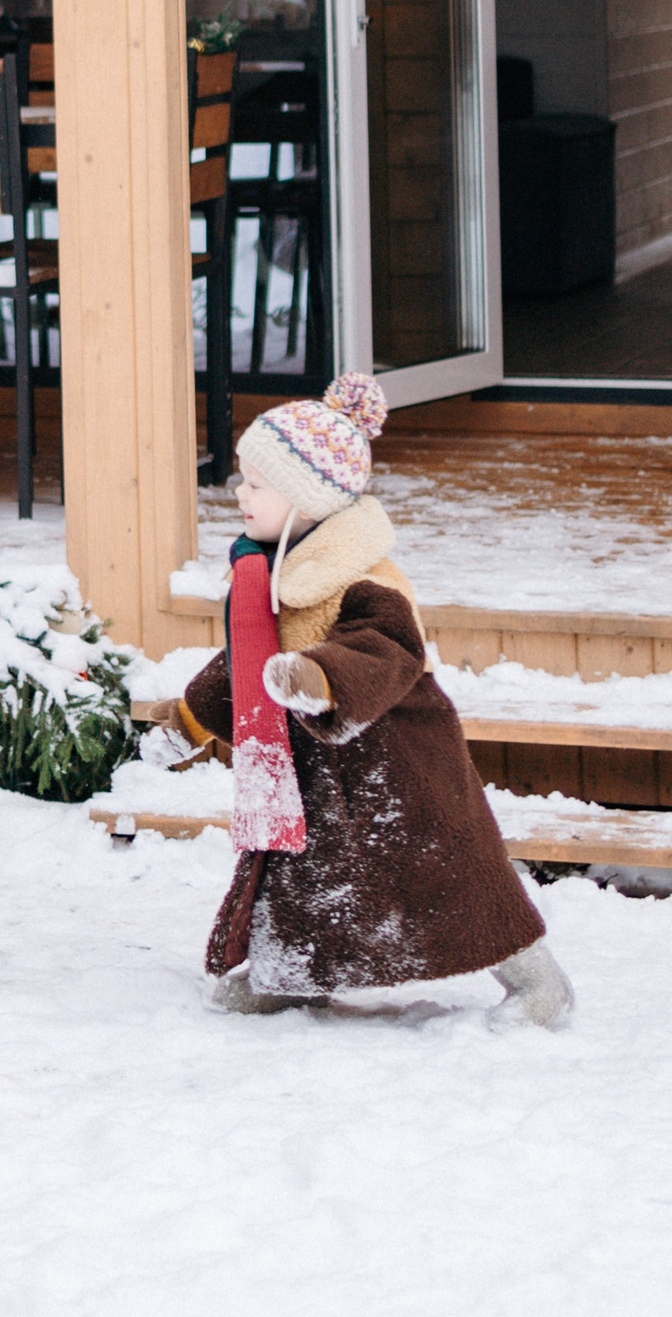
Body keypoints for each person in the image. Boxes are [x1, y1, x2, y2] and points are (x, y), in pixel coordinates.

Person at [165, 374, 572, 1027]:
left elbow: (385, 648)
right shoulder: (267, 569)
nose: (239, 493)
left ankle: (539, 984)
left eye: (256, 484)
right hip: (319, 763)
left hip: (398, 754)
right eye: (243, 478)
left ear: (308, 497)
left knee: (454, 871)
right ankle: (292, 976)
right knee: (307, 874)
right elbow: (246, 665)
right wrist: (187, 721)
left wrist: (318, 679)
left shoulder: (363, 577)